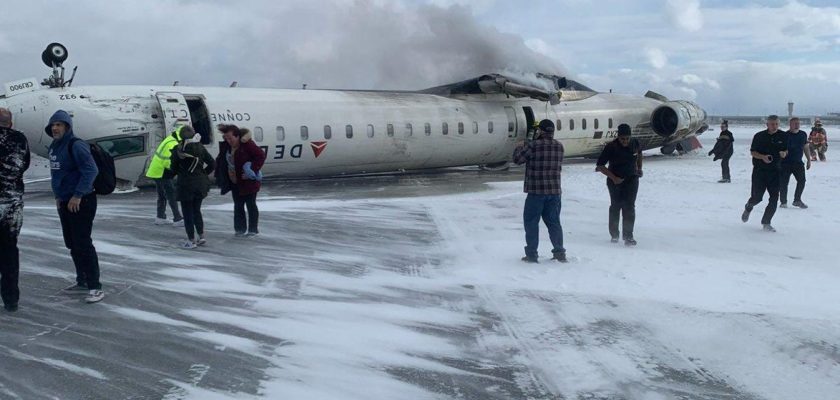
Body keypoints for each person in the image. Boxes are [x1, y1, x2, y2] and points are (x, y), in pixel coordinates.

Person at [46, 110, 105, 303]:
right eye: (53, 125)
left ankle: (95, 286)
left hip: (81, 201)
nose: (55, 128)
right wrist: (58, 196)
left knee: (83, 243)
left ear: (67, 127)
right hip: (64, 201)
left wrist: (78, 195)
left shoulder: (76, 145)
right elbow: (57, 175)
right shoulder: (54, 146)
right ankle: (82, 280)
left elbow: (91, 170)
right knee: (71, 243)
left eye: (59, 125)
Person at [512, 119, 567, 263]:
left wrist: (519, 147)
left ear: (541, 131)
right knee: (554, 223)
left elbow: (517, 160)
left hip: (536, 192)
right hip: (554, 192)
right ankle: (559, 252)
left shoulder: (533, 146)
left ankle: (532, 254)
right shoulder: (559, 146)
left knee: (531, 223)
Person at [0, 108, 30, 312]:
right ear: (10, 123)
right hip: (12, 204)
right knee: (9, 251)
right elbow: (24, 164)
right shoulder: (20, 139)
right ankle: (11, 299)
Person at [596, 123, 642, 246]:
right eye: (622, 139)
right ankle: (614, 234)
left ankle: (628, 236)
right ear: (618, 137)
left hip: (631, 179)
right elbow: (600, 166)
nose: (625, 141)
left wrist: (639, 168)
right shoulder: (611, 147)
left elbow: (639, 154)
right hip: (615, 181)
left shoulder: (635, 143)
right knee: (616, 206)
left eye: (627, 138)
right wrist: (614, 178)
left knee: (630, 207)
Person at [216, 124, 266, 237]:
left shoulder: (247, 145)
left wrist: (251, 171)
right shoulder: (226, 146)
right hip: (234, 182)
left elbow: (261, 155)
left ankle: (253, 229)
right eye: (226, 138)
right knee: (238, 205)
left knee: (250, 204)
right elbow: (221, 160)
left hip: (249, 182)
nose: (228, 141)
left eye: (230, 138)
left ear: (237, 136)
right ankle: (239, 229)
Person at [741, 115, 788, 232]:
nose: (774, 126)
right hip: (760, 172)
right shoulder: (759, 136)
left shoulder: (783, 136)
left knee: (774, 198)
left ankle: (766, 222)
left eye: (776, 124)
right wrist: (762, 157)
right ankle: (749, 206)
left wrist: (784, 153)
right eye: (772, 124)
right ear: (767, 124)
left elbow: (785, 150)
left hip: (776, 171)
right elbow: (752, 152)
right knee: (757, 197)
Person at [170, 137, 215, 249]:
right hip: (200, 184)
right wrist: (203, 173)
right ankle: (201, 236)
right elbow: (212, 163)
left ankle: (191, 240)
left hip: (186, 184)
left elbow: (173, 168)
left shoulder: (179, 149)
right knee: (196, 210)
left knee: (187, 213)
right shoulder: (200, 147)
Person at [145, 126, 193, 226]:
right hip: (162, 172)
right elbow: (168, 162)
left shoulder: (170, 138)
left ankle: (160, 217)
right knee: (171, 194)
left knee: (162, 195)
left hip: (156, 170)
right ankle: (178, 218)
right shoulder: (173, 144)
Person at [780, 117, 810, 209]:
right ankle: (783, 202)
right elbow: (781, 149)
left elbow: (805, 147)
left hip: (798, 163)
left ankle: (797, 200)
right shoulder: (785, 135)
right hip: (785, 163)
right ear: (790, 125)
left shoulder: (803, 134)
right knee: (783, 183)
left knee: (802, 181)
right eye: (794, 123)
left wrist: (809, 159)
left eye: (798, 123)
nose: (797, 125)